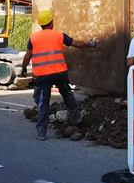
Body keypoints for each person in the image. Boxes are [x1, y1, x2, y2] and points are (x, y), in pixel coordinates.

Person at [20, 10, 97, 141]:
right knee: (67, 95)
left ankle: (41, 133)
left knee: (43, 102)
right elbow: (76, 44)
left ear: (41, 24)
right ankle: (77, 119)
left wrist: (23, 68)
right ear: (51, 23)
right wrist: (89, 44)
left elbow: (27, 56)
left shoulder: (33, 38)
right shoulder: (59, 35)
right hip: (60, 73)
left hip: (43, 76)